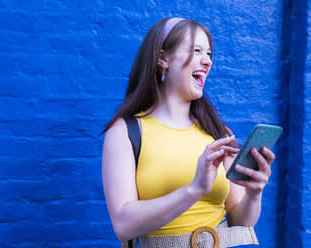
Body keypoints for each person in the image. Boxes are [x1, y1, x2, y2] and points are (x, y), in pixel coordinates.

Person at [101, 17, 275, 248]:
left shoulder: (218, 132)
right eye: (197, 51)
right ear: (163, 58)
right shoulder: (126, 132)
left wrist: (254, 193)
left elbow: (240, 220)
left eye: (209, 54)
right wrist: (195, 189)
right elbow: (123, 226)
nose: (207, 61)